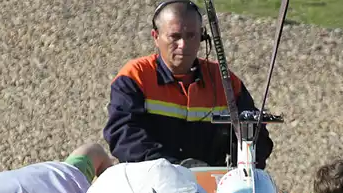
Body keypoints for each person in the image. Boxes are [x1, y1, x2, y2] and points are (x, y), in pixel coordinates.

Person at [103, 0, 273, 168]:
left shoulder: (226, 82)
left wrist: (240, 172)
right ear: (156, 37)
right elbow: (124, 135)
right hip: (151, 181)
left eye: (191, 36)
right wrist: (172, 168)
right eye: (174, 37)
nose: (183, 45)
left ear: (202, 36)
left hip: (211, 186)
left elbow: (255, 137)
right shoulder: (136, 76)